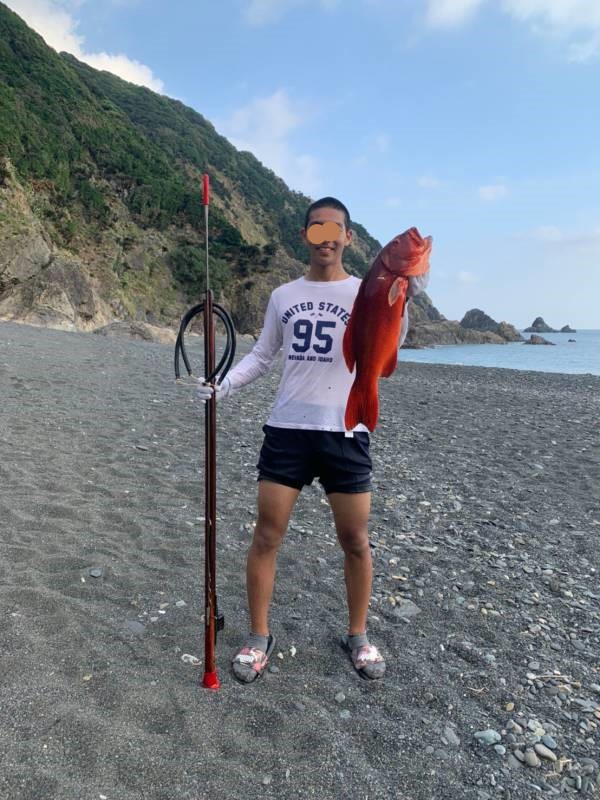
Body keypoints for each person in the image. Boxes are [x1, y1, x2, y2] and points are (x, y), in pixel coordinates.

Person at [197, 197, 429, 683]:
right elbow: (263, 356)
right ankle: (258, 636)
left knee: (356, 540)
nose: (326, 237)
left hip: (346, 430)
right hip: (288, 430)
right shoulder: (284, 295)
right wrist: (223, 385)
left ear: (348, 238)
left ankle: (358, 635)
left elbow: (391, 340)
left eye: (334, 229)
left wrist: (406, 298)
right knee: (266, 535)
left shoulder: (365, 288)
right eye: (316, 228)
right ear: (305, 235)